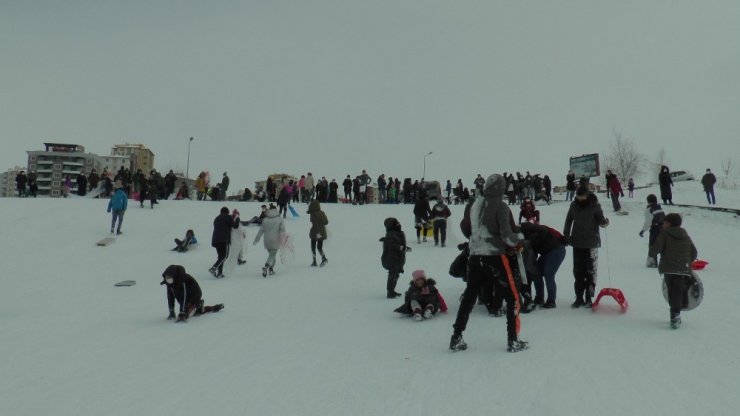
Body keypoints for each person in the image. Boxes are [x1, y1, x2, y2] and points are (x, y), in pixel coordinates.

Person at [449, 174, 529, 353]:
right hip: (494, 256)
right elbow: (508, 237)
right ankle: (513, 340)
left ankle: (456, 336)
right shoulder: (500, 206)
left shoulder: (476, 204)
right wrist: (521, 239)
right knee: (513, 297)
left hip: (475, 255)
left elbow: (466, 227)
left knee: (469, 297)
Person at [648, 213, 698, 329]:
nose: (663, 224)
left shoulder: (664, 234)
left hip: (669, 269)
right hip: (684, 269)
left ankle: (675, 316)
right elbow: (694, 252)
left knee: (673, 292)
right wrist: (686, 263)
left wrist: (653, 247)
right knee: (679, 290)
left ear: (669, 223)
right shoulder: (686, 236)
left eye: (665, 222)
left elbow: (653, 252)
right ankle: (679, 310)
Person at [563, 187, 609, 308]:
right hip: (577, 242)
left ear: (587, 196)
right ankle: (578, 298)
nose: (579, 199)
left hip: (591, 243)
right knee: (578, 272)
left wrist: (604, 222)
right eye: (578, 197)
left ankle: (589, 298)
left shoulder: (595, 206)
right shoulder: (573, 205)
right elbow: (568, 221)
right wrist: (566, 235)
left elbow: (600, 220)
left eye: (582, 197)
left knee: (590, 272)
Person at [520, 222, 566, 308]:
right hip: (547, 252)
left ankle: (551, 301)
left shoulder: (526, 227)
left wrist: (535, 243)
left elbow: (544, 230)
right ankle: (539, 298)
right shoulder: (523, 234)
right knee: (537, 272)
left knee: (549, 275)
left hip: (556, 250)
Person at [380, 217, 411, 299]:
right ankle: (390, 291)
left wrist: (404, 248)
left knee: (396, 275)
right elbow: (392, 244)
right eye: (397, 224)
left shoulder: (397, 233)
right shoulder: (391, 234)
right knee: (393, 275)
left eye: (399, 223)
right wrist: (402, 248)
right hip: (391, 259)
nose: (399, 225)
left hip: (397, 258)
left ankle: (392, 290)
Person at [253, 204, 285, 277]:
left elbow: (261, 231)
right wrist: (284, 239)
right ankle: (266, 266)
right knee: (272, 255)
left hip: (267, 240)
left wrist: (256, 239)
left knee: (272, 255)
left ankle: (271, 269)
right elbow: (282, 230)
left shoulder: (265, 219)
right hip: (275, 239)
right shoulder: (280, 219)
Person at [209, 206, 239, 278]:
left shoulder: (217, 218)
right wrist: (237, 218)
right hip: (224, 240)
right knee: (224, 256)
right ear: (227, 212)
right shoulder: (228, 217)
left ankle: (220, 273)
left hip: (215, 240)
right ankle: (214, 267)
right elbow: (235, 226)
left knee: (220, 256)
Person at [639, 194, 665, 268]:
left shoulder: (649, 210)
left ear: (648, 201)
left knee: (653, 245)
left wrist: (643, 230)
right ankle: (665, 261)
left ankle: (652, 262)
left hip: (655, 229)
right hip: (663, 228)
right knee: (663, 245)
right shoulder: (659, 208)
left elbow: (648, 222)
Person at [307, 200, 329, 267]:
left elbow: (314, 223)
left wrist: (317, 232)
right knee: (319, 247)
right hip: (322, 232)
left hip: (315, 232)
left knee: (313, 247)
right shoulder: (322, 212)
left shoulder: (313, 214)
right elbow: (326, 222)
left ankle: (314, 261)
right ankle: (324, 258)